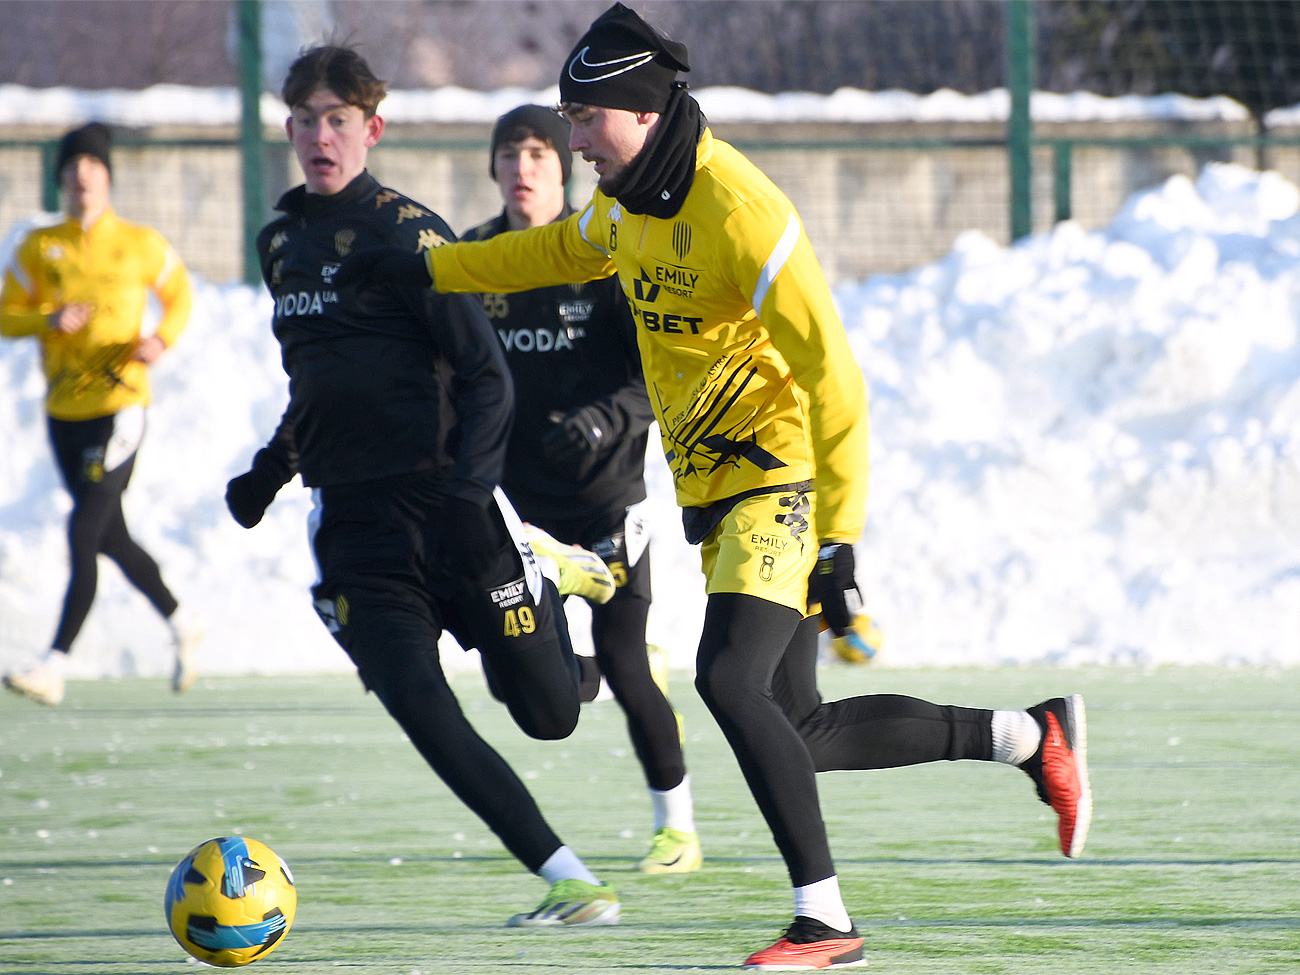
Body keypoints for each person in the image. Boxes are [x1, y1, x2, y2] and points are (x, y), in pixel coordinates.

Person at [336, 5, 1093, 968]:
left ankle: (826, 922)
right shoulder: (627, 200)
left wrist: (839, 541)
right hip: (716, 496)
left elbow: (834, 379)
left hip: (779, 483)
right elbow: (554, 251)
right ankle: (1031, 735)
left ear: (642, 113)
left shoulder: (741, 211)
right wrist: (433, 269)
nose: (574, 141)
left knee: (727, 679)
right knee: (800, 726)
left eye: (584, 119)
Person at [224, 45, 624, 929]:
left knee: (551, 714)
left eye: (338, 120)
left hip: (450, 505)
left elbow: (488, 379)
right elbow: (319, 383)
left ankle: (544, 568)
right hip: (356, 530)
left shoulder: (411, 234)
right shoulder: (280, 245)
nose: (321, 137)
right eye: (306, 121)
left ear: (371, 129)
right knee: (420, 702)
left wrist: (470, 497)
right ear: (288, 129)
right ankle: (569, 879)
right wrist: (273, 467)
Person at [466, 104, 701, 874]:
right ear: (493, 167)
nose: (523, 168)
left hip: (605, 499)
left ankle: (678, 830)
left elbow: (657, 369)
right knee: (514, 681)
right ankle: (589, 672)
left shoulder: (603, 246)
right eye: (510, 154)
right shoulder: (474, 257)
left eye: (538, 153)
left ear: (563, 165)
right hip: (517, 513)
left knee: (628, 663)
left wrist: (605, 419)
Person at [1, 121, 202, 707]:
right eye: (72, 167)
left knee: (84, 530)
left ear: (107, 176)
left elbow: (180, 294)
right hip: (64, 411)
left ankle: (54, 664)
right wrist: (46, 319)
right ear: (60, 178)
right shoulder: (40, 248)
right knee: (111, 534)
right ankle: (182, 620)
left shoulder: (139, 243)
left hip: (121, 407)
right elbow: (6, 313)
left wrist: (160, 339)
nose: (82, 177)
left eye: (92, 166)